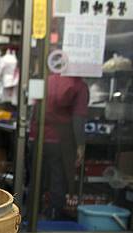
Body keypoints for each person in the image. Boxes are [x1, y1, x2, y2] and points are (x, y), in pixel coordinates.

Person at [29, 73, 89, 220]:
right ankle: (53, 215)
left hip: (36, 136)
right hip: (60, 140)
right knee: (58, 178)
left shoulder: (47, 78)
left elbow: (34, 108)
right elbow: (78, 119)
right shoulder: (79, 85)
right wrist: (80, 145)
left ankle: (31, 216)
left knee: (36, 178)